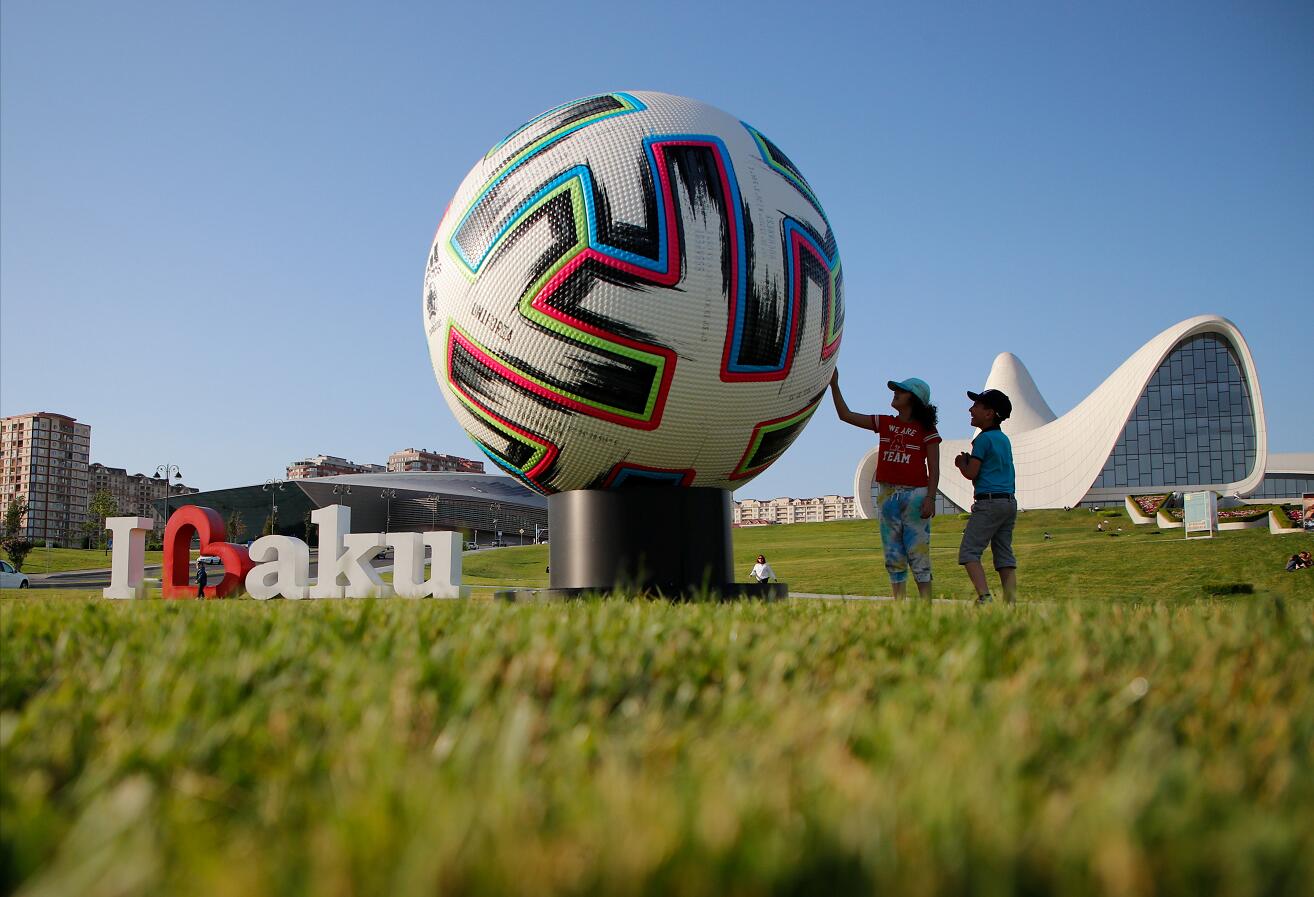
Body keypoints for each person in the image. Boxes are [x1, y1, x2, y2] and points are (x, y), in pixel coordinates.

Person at [830, 370, 941, 599]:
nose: (895, 394)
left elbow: (934, 467)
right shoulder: (885, 422)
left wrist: (930, 498)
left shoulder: (927, 430)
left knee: (918, 554)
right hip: (888, 495)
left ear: (913, 398)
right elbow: (846, 415)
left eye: (901, 391)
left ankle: (926, 607)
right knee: (893, 555)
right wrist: (834, 385)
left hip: (916, 496)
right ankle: (899, 605)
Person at [954, 388, 1018, 605]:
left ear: (989, 413)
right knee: (1004, 554)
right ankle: (1010, 602)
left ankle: (985, 597)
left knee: (969, 552)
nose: (971, 409)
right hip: (1008, 501)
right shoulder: (1003, 439)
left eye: (976, 406)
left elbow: (972, 473)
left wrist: (962, 464)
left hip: (988, 502)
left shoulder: (982, 440)